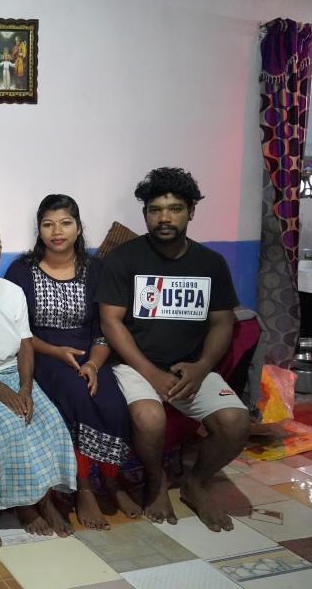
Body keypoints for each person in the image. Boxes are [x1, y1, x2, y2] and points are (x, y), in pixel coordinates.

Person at [96, 167, 251, 532]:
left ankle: (196, 484)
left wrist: (202, 366)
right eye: (155, 209)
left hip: (190, 368)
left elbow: (222, 322)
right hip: (135, 366)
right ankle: (157, 481)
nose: (164, 218)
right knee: (151, 418)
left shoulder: (211, 264)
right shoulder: (123, 260)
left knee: (236, 422)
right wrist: (150, 373)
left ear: (191, 211)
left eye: (175, 208)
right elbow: (111, 322)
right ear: (146, 213)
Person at [4, 196, 139, 531]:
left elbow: (104, 327)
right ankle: (84, 488)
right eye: (48, 224)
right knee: (76, 395)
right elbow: (17, 331)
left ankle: (112, 480)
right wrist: (54, 351)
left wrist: (93, 364)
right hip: (42, 353)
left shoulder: (96, 270)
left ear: (78, 228)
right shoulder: (21, 271)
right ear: (39, 230)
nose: (57, 231)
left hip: (91, 351)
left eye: (65, 223)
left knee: (114, 404)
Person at [0, 222, 78, 537]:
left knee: (50, 420)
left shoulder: (13, 292)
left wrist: (25, 388)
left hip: (14, 373)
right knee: (12, 428)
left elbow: (25, 344)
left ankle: (46, 499)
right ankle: (23, 505)